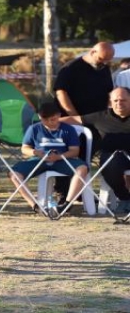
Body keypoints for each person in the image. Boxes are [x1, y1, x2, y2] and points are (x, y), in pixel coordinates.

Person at [53, 41, 115, 201]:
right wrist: (74, 117)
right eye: (102, 59)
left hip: (96, 121)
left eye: (108, 60)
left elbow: (109, 93)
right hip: (72, 121)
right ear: (93, 52)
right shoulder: (72, 68)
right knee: (68, 154)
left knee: (87, 155)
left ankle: (81, 191)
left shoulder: (104, 69)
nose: (105, 63)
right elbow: (61, 93)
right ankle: (62, 192)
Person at [7, 102, 88, 216]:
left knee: (82, 168)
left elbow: (75, 150)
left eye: (53, 119)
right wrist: (35, 152)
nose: (50, 123)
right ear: (40, 117)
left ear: (59, 115)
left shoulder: (68, 129)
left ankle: (67, 204)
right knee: (14, 173)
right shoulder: (34, 128)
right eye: (45, 120)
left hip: (62, 160)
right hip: (39, 160)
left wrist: (59, 157)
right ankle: (35, 205)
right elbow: (24, 148)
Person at [60, 87, 130, 214]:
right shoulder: (100, 117)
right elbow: (74, 119)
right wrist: (47, 122)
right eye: (115, 101)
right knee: (110, 165)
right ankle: (125, 198)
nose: (119, 103)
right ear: (110, 102)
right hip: (112, 156)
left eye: (123, 100)